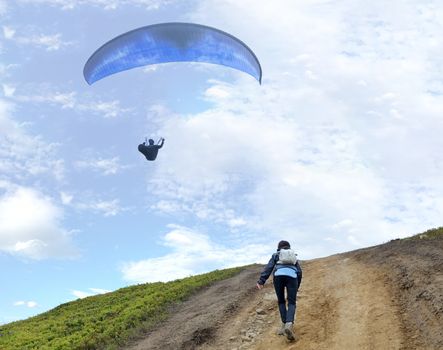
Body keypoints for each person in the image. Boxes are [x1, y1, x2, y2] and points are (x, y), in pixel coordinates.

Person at [256, 240, 302, 341]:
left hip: (278, 277)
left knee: (281, 301)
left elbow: (269, 267)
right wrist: (296, 286)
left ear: (279, 248)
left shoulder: (276, 255)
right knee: (291, 303)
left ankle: (283, 325)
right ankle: (289, 325)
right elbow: (299, 272)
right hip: (292, 277)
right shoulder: (294, 256)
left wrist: (261, 281)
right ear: (289, 248)